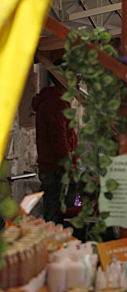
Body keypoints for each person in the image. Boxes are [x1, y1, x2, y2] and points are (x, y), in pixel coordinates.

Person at [32, 66, 78, 224]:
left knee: (57, 215)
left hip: (57, 168)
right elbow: (58, 138)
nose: (77, 81)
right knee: (57, 218)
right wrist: (70, 166)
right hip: (58, 169)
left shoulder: (57, 101)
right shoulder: (56, 103)